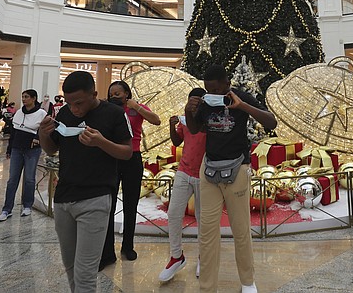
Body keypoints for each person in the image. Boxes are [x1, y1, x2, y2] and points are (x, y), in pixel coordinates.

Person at [184, 64, 277, 293]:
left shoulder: (240, 97)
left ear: (227, 84)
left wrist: (242, 105)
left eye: (216, 90)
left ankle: (247, 281)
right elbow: (195, 130)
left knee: (241, 229)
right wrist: (189, 111)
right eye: (208, 90)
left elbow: (271, 122)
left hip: (237, 168)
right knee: (206, 232)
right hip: (210, 170)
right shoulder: (205, 101)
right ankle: (207, 287)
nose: (212, 95)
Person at [38, 71, 133, 293]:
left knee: (85, 272)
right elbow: (52, 148)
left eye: (79, 103)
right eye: (69, 103)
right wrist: (43, 133)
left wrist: (100, 142)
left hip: (95, 198)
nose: (74, 109)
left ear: (94, 94)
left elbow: (127, 152)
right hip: (64, 199)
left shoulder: (114, 114)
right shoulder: (64, 114)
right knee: (70, 267)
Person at [101, 80, 161, 268]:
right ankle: (107, 252)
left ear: (127, 94)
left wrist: (137, 108)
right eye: (112, 93)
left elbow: (156, 120)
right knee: (108, 206)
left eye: (118, 93)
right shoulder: (107, 109)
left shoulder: (137, 107)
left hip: (133, 158)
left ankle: (128, 246)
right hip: (111, 158)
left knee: (130, 204)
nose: (114, 96)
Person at [159, 87, 208, 283]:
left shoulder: (209, 120)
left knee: (202, 218)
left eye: (197, 103)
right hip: (184, 171)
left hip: (205, 175)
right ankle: (176, 256)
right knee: (173, 213)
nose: (193, 107)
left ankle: (203, 258)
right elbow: (177, 141)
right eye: (191, 103)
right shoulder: (186, 120)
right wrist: (172, 126)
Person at [0, 89, 47, 222]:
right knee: (12, 179)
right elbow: (14, 131)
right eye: (22, 96)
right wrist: (9, 148)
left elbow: (44, 129)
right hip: (17, 149)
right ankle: (7, 209)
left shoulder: (41, 113)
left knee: (29, 179)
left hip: (32, 150)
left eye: (26, 97)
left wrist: (37, 138)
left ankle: (27, 205)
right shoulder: (19, 112)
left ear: (34, 98)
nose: (24, 99)